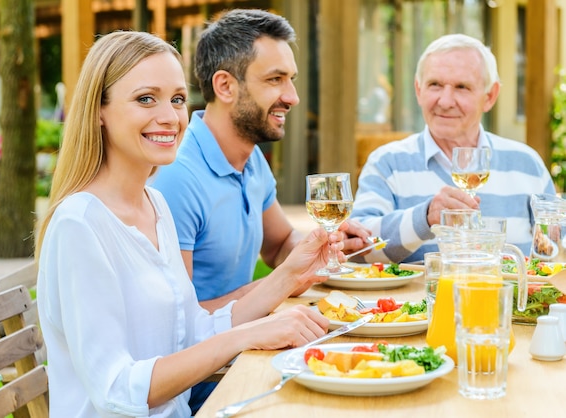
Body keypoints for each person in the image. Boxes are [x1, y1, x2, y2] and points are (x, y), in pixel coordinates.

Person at [35, 30, 338, 418]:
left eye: (177, 99)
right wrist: (249, 334)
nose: (170, 117)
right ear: (99, 110)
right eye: (146, 99)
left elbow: (190, 331)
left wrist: (290, 276)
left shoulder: (154, 204)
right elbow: (115, 388)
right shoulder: (79, 226)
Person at [152, 9, 372, 313]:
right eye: (275, 79)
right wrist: (282, 282)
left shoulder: (251, 157)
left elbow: (279, 245)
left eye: (290, 79)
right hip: (215, 358)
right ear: (225, 86)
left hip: (248, 341)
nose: (292, 97)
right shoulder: (177, 178)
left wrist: (320, 246)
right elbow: (180, 320)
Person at [342, 33, 555, 263]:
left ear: (490, 96)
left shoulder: (527, 164)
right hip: (416, 300)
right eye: (435, 85)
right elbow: (357, 250)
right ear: (418, 89)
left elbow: (555, 252)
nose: (445, 101)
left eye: (461, 87)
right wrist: (423, 218)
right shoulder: (387, 163)